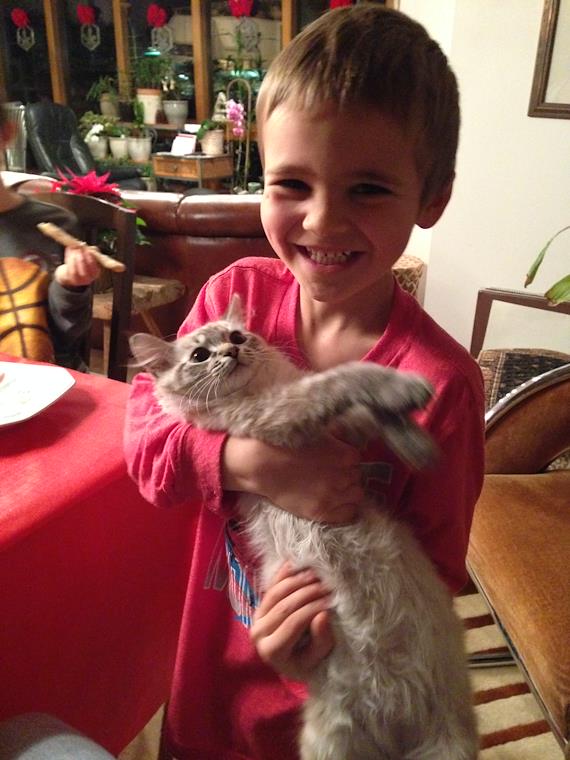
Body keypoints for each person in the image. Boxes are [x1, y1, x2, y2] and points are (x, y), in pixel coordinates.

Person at [124, 5, 485, 759]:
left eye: (368, 189)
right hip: (210, 691)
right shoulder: (234, 299)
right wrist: (247, 462)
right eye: (292, 183)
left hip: (344, 702)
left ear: (432, 198)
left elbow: (437, 571)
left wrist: (326, 653)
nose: (322, 221)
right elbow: (146, 452)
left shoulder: (442, 383)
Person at [0, 101, 100, 370]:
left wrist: (70, 286)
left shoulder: (57, 225)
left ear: (5, 134)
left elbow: (67, 339)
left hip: (48, 377)